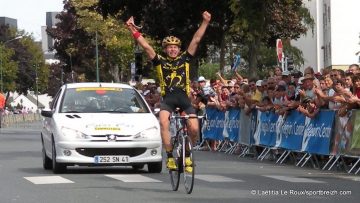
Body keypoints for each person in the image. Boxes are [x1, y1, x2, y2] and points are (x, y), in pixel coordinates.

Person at [126, 11, 211, 172]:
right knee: (163, 122)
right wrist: (132, 29)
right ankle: (170, 156)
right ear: (165, 49)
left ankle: (187, 154)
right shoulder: (159, 60)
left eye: (175, 47)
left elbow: (196, 39)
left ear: (179, 49)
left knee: (194, 128)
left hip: (184, 98)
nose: (173, 50)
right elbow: (145, 46)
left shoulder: (185, 58)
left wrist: (205, 22)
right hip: (168, 99)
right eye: (170, 47)